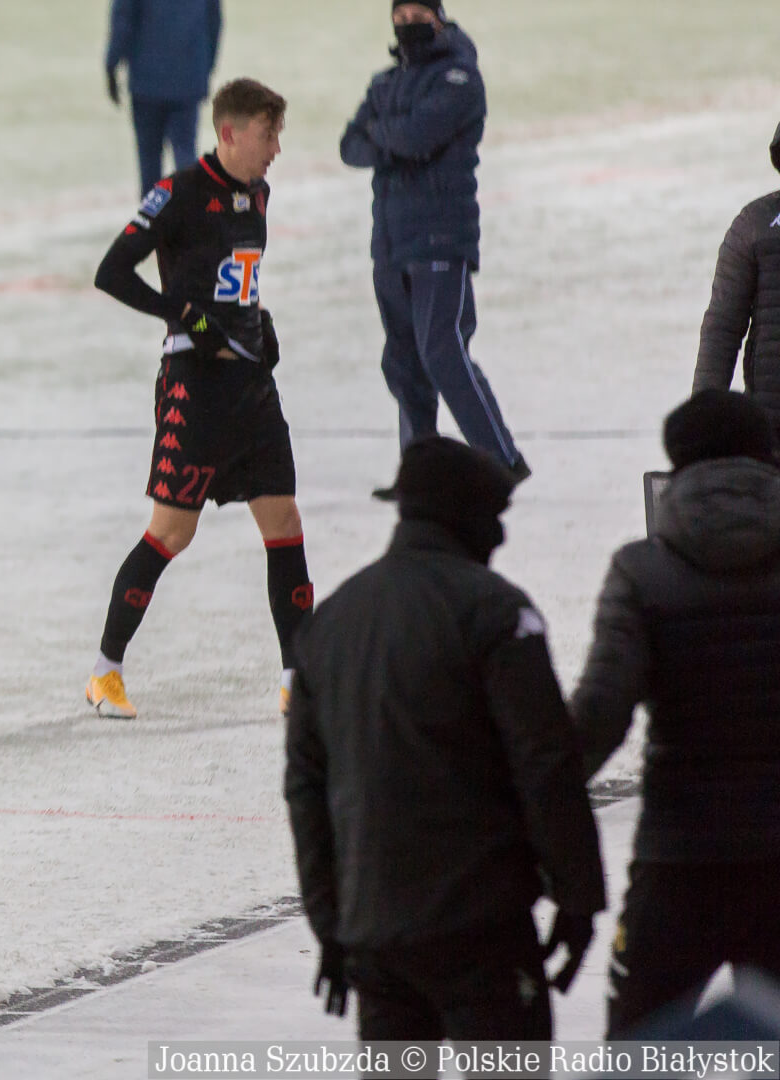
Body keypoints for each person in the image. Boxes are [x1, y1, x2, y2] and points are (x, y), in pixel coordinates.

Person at [284, 436, 605, 1045]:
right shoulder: (496, 612)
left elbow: (306, 787)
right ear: (465, 518)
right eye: (495, 518)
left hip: (376, 937)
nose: (501, 537)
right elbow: (546, 765)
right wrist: (578, 896)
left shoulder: (330, 624)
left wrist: (332, 924)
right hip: (481, 932)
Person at [85, 78, 312, 719]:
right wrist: (184, 317)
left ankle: (300, 677)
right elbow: (111, 272)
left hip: (252, 386)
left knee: (284, 522)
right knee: (171, 532)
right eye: (268, 136)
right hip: (194, 384)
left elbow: (237, 277)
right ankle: (105, 672)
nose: (275, 150)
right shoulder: (178, 194)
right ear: (230, 132)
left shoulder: (258, 194)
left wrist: (256, 321)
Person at [568, 389, 780, 1037]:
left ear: (675, 469)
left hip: (681, 860)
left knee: (641, 1052)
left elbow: (599, 718)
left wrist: (514, 803)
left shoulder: (642, 571)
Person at [341, 1, 529, 500]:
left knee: (442, 351)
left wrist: (385, 134)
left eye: (417, 15)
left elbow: (413, 136)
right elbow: (349, 145)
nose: (407, 25)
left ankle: (502, 460)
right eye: (398, 18)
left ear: (440, 19)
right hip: (390, 240)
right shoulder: (386, 81)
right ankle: (418, 474)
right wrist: (393, 138)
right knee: (403, 359)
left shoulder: (459, 79)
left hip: (441, 236)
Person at [692, 122, 780, 435]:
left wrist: (701, 419)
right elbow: (722, 330)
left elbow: (721, 329)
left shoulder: (755, 223)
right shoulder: (754, 225)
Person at [103, 0, 224, 195]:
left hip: (147, 79)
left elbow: (123, 20)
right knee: (185, 152)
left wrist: (111, 64)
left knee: (149, 161)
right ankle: (190, 217)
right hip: (187, 76)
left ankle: (152, 220)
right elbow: (214, 21)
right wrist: (204, 67)